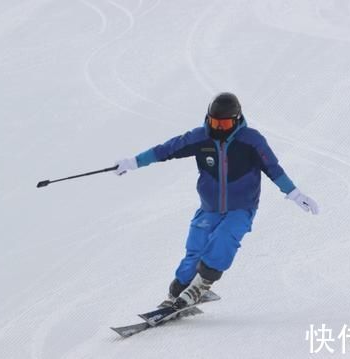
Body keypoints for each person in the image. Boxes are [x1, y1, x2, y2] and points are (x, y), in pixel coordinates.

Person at [114, 92, 318, 309]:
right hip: (209, 208)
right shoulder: (200, 137)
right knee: (195, 252)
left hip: (241, 208)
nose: (219, 128)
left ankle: (201, 285)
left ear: (237, 119)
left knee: (223, 239)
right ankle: (176, 293)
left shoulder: (251, 140)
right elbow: (166, 150)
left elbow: (273, 169)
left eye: (225, 123)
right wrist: (132, 162)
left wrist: (295, 194)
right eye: (215, 122)